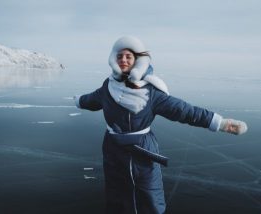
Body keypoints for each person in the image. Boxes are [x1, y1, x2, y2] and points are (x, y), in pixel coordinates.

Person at [74, 36, 247, 214]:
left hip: (142, 149)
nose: (123, 60)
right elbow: (92, 99)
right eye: (120, 56)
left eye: (128, 56)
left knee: (149, 194)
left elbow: (184, 111)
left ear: (137, 60)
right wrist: (79, 101)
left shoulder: (150, 91)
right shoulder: (108, 86)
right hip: (113, 151)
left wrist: (219, 123)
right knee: (117, 194)